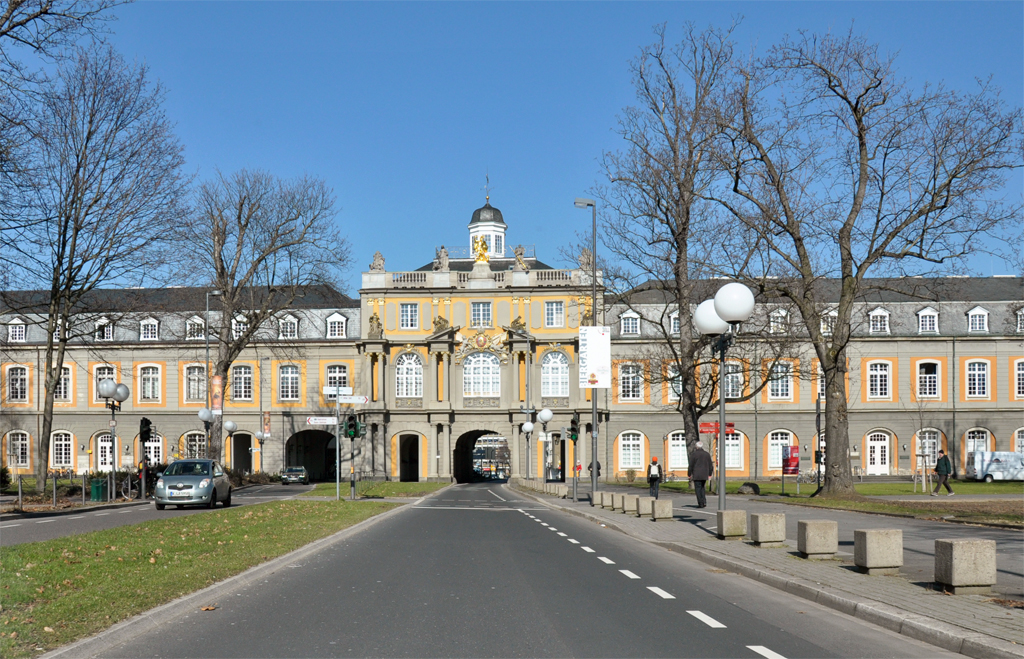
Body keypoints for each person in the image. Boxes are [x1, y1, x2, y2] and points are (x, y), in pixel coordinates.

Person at [688, 441, 714, 508]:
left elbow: (691, 465)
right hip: (704, 474)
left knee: (698, 489)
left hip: (697, 474)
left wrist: (689, 474)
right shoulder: (707, 454)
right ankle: (704, 501)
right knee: (702, 488)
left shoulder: (694, 454)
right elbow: (710, 465)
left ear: (696, 447)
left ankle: (700, 503)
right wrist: (710, 473)